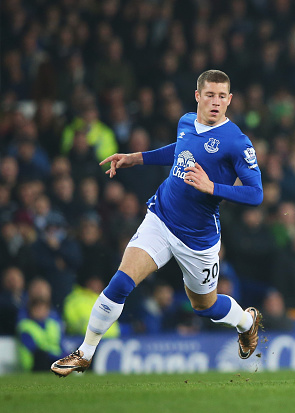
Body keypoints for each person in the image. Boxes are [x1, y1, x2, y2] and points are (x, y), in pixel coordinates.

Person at [51, 70, 264, 377]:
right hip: (161, 219)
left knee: (205, 306)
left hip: (198, 238)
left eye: (221, 96)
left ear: (229, 100)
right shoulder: (187, 122)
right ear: (198, 96)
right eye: (210, 95)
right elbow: (178, 151)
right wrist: (135, 158)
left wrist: (212, 187)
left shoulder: (236, 141)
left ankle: (246, 322)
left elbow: (256, 193)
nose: (215, 102)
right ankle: (84, 353)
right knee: (121, 282)